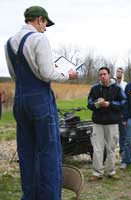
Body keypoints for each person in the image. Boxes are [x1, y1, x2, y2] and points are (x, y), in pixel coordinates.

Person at [4, 6, 78, 200]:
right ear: (39, 20)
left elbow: (14, 75)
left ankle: (30, 196)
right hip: (39, 100)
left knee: (27, 152)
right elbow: (46, 74)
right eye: (45, 24)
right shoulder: (39, 38)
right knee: (49, 152)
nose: (45, 29)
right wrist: (67, 74)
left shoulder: (9, 43)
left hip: (20, 101)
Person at [87, 67, 126, 181]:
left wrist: (110, 104)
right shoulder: (94, 88)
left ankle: (111, 172)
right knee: (97, 149)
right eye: (100, 75)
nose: (102, 76)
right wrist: (97, 104)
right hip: (98, 122)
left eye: (104, 74)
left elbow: (123, 102)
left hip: (112, 122)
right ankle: (97, 173)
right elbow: (89, 104)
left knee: (111, 148)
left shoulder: (117, 88)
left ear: (109, 75)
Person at [115, 67, 127, 158]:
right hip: (113, 111)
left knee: (123, 132)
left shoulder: (126, 85)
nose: (119, 73)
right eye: (118, 72)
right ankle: (110, 151)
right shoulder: (112, 84)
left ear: (123, 74)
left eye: (121, 72)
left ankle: (122, 150)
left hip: (122, 112)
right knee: (113, 133)